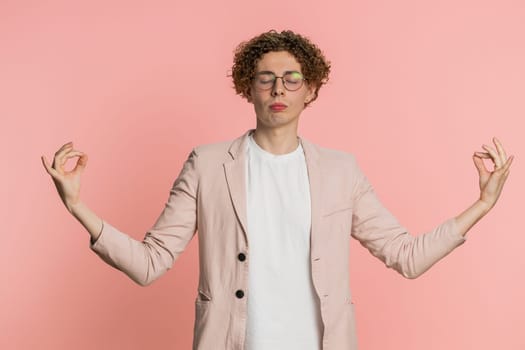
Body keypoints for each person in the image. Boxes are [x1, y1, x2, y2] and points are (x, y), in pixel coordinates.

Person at [41, 30, 513, 350]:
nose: (278, 89)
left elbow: (406, 256)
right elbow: (149, 264)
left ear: (311, 90)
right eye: (265, 79)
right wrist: (78, 205)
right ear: (249, 88)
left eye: (292, 78)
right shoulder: (207, 165)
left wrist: (483, 204)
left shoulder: (340, 171)